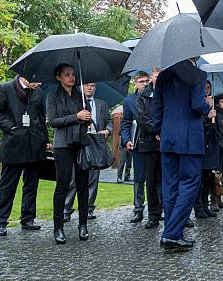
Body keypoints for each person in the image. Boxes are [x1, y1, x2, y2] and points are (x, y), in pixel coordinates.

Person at [152, 59, 211, 252]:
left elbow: (156, 108)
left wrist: (160, 129)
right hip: (190, 139)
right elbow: (196, 105)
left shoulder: (163, 76)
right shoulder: (198, 75)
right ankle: (170, 234)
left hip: (167, 138)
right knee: (189, 184)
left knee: (169, 187)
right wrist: (208, 107)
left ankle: (173, 234)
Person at [0, 75, 50, 236]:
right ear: (23, 75)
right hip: (13, 145)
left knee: (31, 184)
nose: (38, 81)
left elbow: (41, 118)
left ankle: (28, 218)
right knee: (7, 185)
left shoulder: (39, 92)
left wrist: (45, 140)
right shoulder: (5, 88)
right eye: (34, 77)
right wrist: (10, 126)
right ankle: (0, 222)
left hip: (35, 145)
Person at [46, 64, 91, 244]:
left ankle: (83, 225)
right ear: (59, 77)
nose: (71, 78)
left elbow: (87, 119)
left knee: (83, 185)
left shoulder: (81, 95)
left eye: (73, 74)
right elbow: (53, 121)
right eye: (67, 75)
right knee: (62, 185)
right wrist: (76, 117)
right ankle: (58, 227)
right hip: (62, 145)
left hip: (80, 143)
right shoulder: (53, 96)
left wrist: (87, 118)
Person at [63, 83, 112, 221]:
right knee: (73, 177)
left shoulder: (102, 104)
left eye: (92, 85)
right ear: (81, 88)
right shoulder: (75, 102)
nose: (89, 88)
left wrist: (107, 131)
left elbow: (109, 121)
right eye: (86, 85)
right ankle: (66, 209)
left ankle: (88, 208)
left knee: (93, 177)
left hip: (95, 142)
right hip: (78, 142)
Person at [136, 68, 164, 228]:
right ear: (152, 77)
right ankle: (153, 215)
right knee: (151, 181)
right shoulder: (143, 96)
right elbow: (142, 119)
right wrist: (156, 131)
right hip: (149, 144)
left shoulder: (168, 94)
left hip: (166, 142)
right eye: (156, 75)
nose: (158, 78)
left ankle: (172, 213)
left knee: (168, 180)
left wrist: (163, 131)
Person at [121, 71, 149, 222]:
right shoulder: (129, 101)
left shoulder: (154, 97)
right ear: (135, 83)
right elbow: (126, 123)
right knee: (139, 178)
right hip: (137, 143)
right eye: (142, 81)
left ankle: (157, 208)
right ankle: (138, 209)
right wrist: (126, 140)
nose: (145, 84)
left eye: (147, 81)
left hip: (153, 143)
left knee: (156, 178)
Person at [194, 80, 219, 219]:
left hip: (210, 144)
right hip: (200, 142)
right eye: (205, 88)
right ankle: (198, 206)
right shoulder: (198, 103)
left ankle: (205, 204)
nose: (207, 90)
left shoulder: (212, 102)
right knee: (200, 178)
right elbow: (196, 122)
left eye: (209, 88)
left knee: (208, 176)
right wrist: (207, 116)